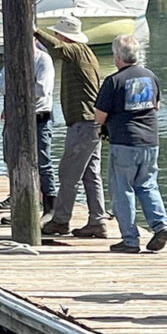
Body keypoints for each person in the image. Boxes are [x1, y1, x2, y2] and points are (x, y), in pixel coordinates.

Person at [94, 34, 167, 254]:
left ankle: (130, 239)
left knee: (123, 189)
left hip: (124, 142)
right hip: (150, 141)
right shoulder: (151, 77)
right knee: (148, 185)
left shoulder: (114, 81)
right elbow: (156, 105)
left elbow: (99, 117)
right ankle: (161, 225)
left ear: (117, 56)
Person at [35, 14, 107, 238]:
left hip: (83, 123)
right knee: (90, 173)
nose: (56, 36)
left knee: (68, 172)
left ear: (64, 36)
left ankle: (60, 220)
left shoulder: (75, 50)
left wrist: (35, 30)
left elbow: (57, 48)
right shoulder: (85, 53)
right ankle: (97, 220)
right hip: (92, 123)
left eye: (58, 33)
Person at [0, 37, 57, 219]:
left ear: (33, 40)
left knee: (43, 163)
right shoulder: (12, 61)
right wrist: (20, 88)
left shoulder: (43, 60)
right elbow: (1, 86)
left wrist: (17, 86)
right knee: (12, 159)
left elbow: (42, 89)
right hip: (15, 118)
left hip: (39, 118)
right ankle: (20, 203)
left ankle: (50, 208)